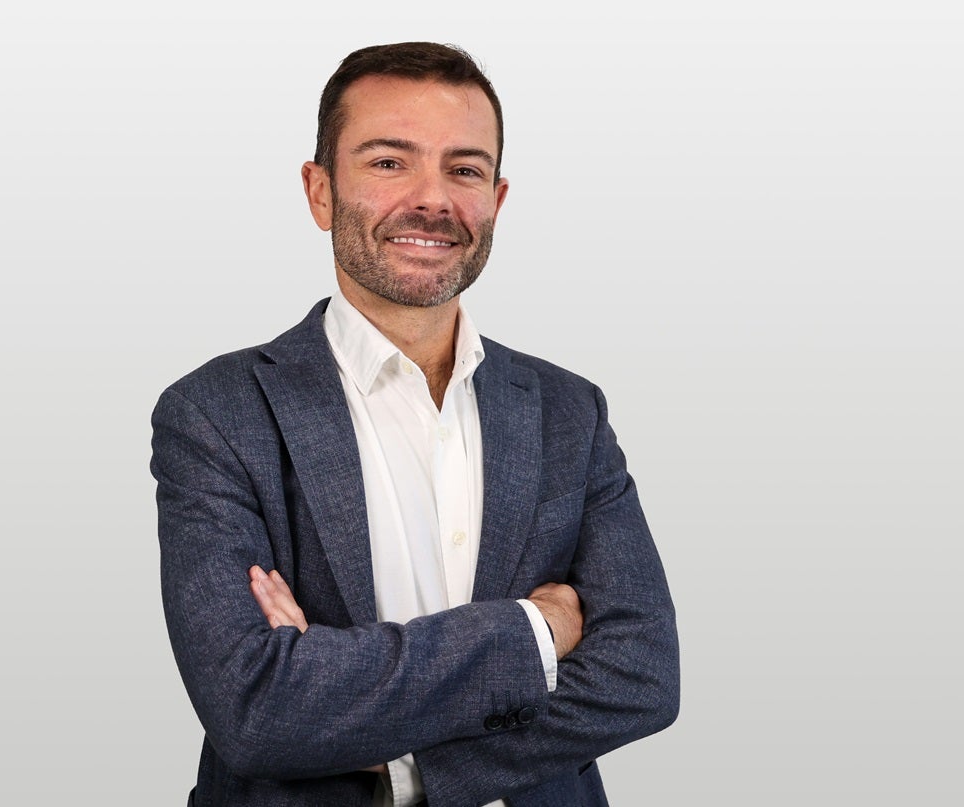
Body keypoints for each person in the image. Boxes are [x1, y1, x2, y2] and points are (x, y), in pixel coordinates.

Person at [151, 41, 678, 807]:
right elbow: (256, 711)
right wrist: (534, 631)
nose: (431, 199)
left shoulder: (570, 411)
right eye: (389, 162)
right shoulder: (215, 412)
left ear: (496, 199)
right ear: (320, 192)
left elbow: (642, 676)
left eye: (463, 169)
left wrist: (397, 751)